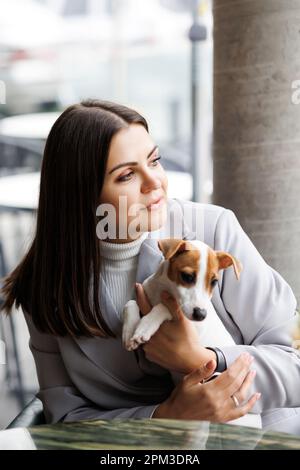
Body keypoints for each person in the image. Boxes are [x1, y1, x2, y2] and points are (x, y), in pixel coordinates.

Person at [1, 100, 299, 434]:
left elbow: (294, 364)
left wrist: (202, 359)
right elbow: (66, 420)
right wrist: (165, 416)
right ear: (82, 195)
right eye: (127, 175)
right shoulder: (45, 285)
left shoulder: (213, 231)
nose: (154, 182)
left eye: (154, 160)